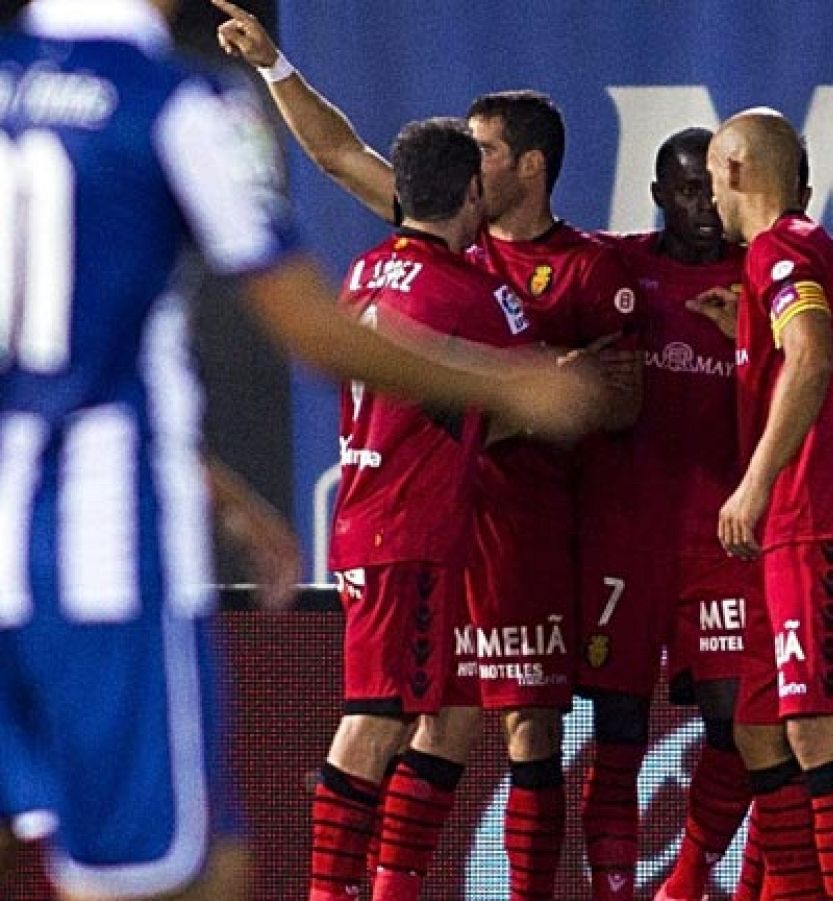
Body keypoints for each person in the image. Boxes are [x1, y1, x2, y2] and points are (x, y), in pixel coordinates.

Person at [0, 2, 599, 900]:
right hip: (106, 543)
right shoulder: (177, 101)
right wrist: (518, 385)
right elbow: (311, 323)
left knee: (445, 715)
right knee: (192, 861)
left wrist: (236, 502)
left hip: (27, 518)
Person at [212, 5, 641, 897]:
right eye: (470, 151)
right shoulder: (459, 267)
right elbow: (336, 153)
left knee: (484, 718)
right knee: (399, 716)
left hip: (498, 523)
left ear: (525, 166)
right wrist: (277, 66)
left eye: (487, 147)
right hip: (428, 515)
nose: (475, 161)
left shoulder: (554, 262)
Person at [314, 117, 550, 901]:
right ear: (474, 191)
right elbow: (537, 391)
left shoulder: (367, 270)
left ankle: (394, 888)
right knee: (375, 720)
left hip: (377, 519)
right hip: (406, 530)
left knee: (450, 711)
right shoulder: (468, 292)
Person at [707, 107, 833, 900]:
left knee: (817, 729)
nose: (710, 197)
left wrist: (755, 481)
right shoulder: (811, 252)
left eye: (712, 177)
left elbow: (813, 357)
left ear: (736, 169)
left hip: (815, 515)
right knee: (763, 726)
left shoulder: (778, 247)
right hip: (804, 523)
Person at [578, 127, 753, 901]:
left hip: (724, 540)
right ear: (657, 196)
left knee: (738, 730)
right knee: (618, 732)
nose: (705, 206)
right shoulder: (615, 267)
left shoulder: (762, 278)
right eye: (688, 191)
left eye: (714, 189)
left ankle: (684, 883)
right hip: (625, 538)